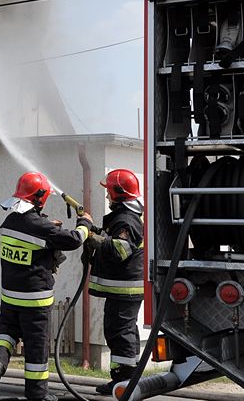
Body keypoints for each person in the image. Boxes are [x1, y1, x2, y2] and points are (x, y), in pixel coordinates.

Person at [0, 171, 93, 401]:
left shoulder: (10, 221)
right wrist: (85, 224)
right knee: (37, 349)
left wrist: (46, 225)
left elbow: (31, 234)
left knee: (6, 336)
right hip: (35, 301)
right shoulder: (41, 227)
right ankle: (37, 395)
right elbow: (73, 239)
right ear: (39, 197)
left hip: (10, 298)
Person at [85, 168, 145, 396]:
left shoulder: (127, 220)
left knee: (120, 333)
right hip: (122, 289)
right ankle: (124, 379)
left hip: (125, 289)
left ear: (117, 193)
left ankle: (124, 382)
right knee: (121, 332)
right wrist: (95, 231)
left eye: (109, 192)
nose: (107, 196)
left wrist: (91, 237)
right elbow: (112, 239)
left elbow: (119, 250)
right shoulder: (125, 216)